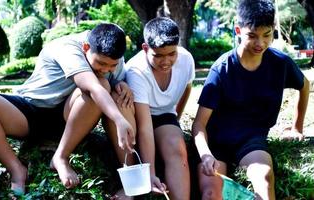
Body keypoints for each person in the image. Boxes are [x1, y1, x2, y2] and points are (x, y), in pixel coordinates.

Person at [0, 23, 136, 196]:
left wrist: (120, 83)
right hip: (28, 112)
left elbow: (110, 84)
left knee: (104, 83)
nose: (106, 69)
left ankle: (61, 157)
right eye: (101, 63)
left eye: (112, 66)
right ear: (86, 47)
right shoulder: (68, 48)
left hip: (70, 119)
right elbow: (93, 87)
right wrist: (119, 120)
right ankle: (16, 170)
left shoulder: (114, 58)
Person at [192, 0, 310, 199]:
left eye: (267, 35)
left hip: (251, 140)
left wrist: (297, 127)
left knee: (264, 177)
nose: (260, 43)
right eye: (252, 36)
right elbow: (199, 124)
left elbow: (305, 85)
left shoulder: (280, 63)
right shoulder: (222, 69)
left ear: (273, 29)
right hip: (216, 144)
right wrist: (205, 154)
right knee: (211, 193)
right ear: (238, 30)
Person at [126, 17, 195, 200]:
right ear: (145, 48)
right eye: (158, 56)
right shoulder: (136, 70)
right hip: (136, 115)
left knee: (176, 147)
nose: (166, 61)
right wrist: (151, 173)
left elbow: (187, 88)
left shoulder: (186, 59)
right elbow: (145, 127)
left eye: (172, 54)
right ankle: (132, 183)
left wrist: (176, 120)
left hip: (165, 114)